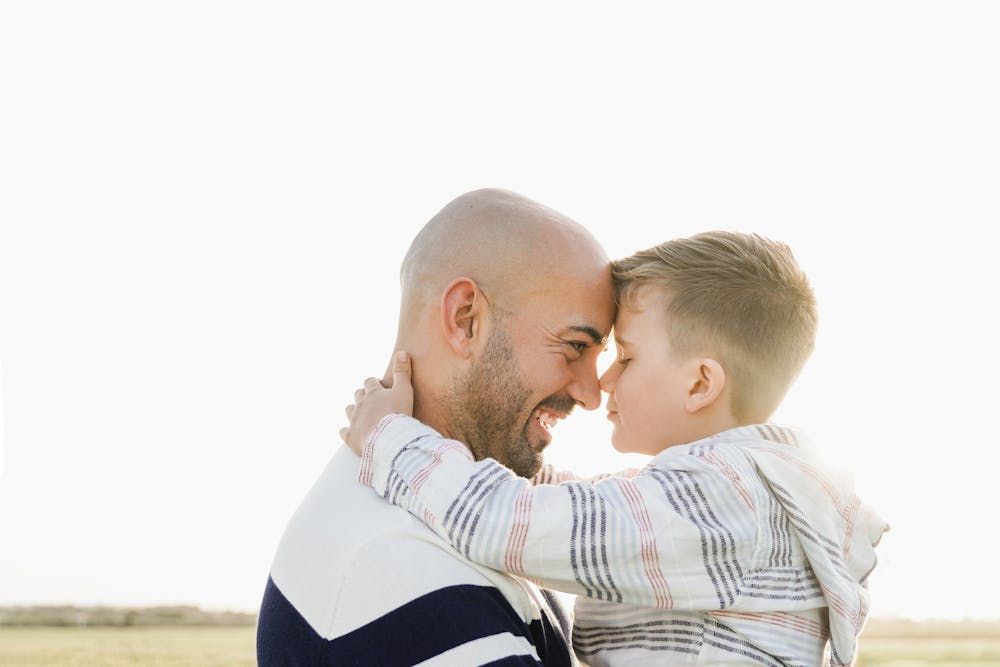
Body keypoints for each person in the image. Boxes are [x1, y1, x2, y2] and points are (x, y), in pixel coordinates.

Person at [342, 231, 889, 666]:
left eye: (624, 357)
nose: (602, 381)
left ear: (700, 384)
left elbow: (509, 525)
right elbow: (589, 508)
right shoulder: (742, 493)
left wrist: (391, 440)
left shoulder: (724, 500)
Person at [257, 188, 616, 665]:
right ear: (465, 319)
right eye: (574, 346)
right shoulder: (394, 559)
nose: (592, 395)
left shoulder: (457, 515)